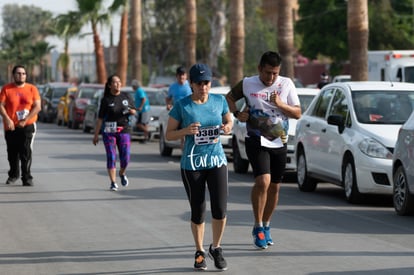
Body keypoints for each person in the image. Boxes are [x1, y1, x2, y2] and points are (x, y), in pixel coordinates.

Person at [225, 51, 301, 249]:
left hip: (279, 140)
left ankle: (266, 225)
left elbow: (298, 113)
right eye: (268, 73)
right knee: (263, 181)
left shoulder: (286, 84)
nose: (271, 77)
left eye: (275, 73)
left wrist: (281, 104)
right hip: (256, 139)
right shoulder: (248, 83)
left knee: (275, 186)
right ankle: (258, 226)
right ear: (260, 69)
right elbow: (229, 98)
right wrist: (237, 113)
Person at [165, 64, 233, 271]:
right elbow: (169, 134)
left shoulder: (219, 101)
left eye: (207, 83)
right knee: (198, 209)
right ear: (191, 84)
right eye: (199, 83)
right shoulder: (182, 105)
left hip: (216, 161)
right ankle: (200, 251)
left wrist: (227, 127)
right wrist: (185, 130)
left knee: (220, 208)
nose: (203, 87)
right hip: (192, 164)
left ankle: (217, 247)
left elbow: (229, 121)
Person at [93, 74, 136, 191]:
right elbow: (100, 118)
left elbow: (134, 110)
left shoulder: (126, 96)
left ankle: (122, 173)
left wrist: (132, 111)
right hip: (109, 132)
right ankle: (113, 182)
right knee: (111, 156)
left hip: (124, 130)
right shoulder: (105, 100)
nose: (118, 84)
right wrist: (96, 135)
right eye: (115, 82)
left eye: (119, 82)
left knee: (125, 157)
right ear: (110, 85)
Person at [0, 65, 41, 186]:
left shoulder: (32, 89)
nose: (21, 75)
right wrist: (7, 119)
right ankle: (13, 174)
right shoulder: (6, 89)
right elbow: (1, 105)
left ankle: (26, 177)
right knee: (12, 153)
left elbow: (37, 107)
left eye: (23, 73)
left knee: (25, 151)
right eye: (18, 73)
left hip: (27, 125)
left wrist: (25, 120)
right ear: (13, 75)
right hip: (11, 126)